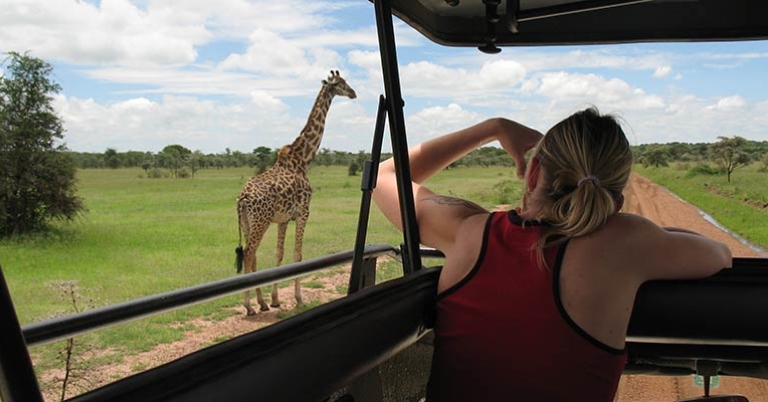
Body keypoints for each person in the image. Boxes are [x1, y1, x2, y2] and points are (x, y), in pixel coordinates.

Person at [372, 108, 732, 401]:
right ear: (616, 201)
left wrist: (493, 127)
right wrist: (644, 232)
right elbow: (718, 254)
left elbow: (385, 175)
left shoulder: (467, 230)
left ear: (532, 176)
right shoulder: (628, 240)